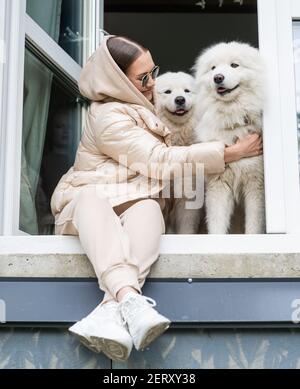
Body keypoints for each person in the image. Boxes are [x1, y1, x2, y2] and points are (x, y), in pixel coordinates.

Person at [50, 35, 263, 362]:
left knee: (150, 207)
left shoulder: (147, 108)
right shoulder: (108, 116)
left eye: (153, 73)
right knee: (93, 197)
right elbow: (158, 159)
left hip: (134, 200)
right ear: (118, 80)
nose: (152, 84)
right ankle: (129, 298)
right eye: (143, 78)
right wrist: (229, 152)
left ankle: (112, 310)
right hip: (88, 204)